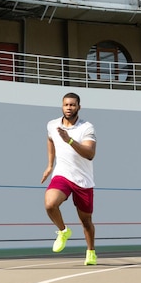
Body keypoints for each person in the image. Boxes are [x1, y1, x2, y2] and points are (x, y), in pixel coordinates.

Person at [41, 92, 97, 265]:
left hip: (83, 180)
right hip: (62, 175)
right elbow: (51, 140)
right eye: (66, 104)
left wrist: (70, 141)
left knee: (86, 221)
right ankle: (63, 231)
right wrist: (50, 165)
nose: (69, 108)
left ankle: (91, 252)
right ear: (62, 106)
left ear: (79, 107)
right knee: (50, 203)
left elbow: (90, 154)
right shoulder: (52, 125)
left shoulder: (87, 128)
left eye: (73, 105)